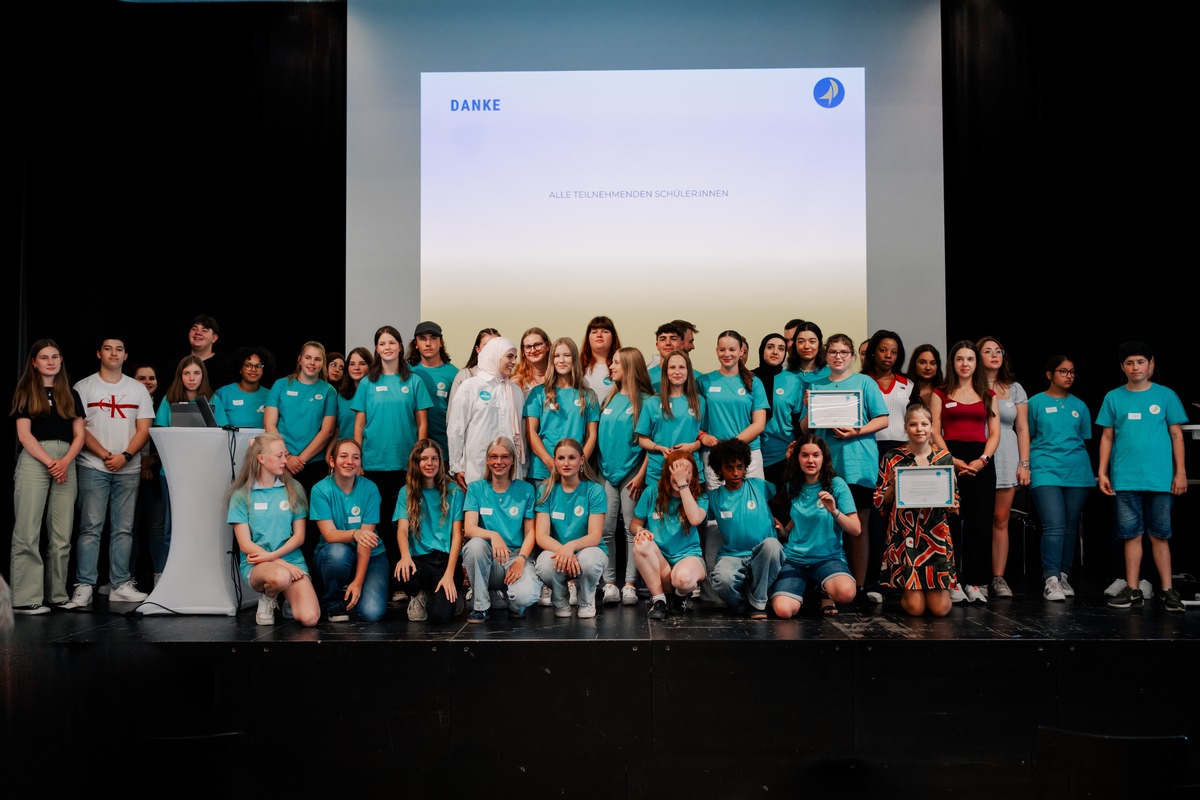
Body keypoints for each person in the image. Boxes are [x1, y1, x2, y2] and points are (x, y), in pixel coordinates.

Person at [62, 337, 155, 609]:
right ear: (98, 354)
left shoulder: (137, 388)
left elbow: (144, 428)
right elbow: (81, 429)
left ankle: (120, 585)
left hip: (128, 467)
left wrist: (125, 456)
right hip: (92, 466)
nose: (113, 353)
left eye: (119, 349)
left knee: (124, 529)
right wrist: (105, 455)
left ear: (126, 356)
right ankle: (84, 586)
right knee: (90, 528)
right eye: (107, 348)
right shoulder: (83, 387)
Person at [1098, 341, 1188, 611]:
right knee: (1131, 535)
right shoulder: (1113, 397)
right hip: (1125, 478)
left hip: (1160, 478)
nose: (1135, 367)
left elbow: (1176, 435)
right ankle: (1134, 588)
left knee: (1160, 534)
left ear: (1151, 364)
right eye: (1129, 363)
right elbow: (1107, 436)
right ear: (1122, 368)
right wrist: (1102, 471)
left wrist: (1180, 472)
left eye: (1140, 362)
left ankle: (1167, 590)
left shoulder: (1166, 395)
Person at [799, 334, 888, 605]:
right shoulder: (816, 385)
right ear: (825, 356)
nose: (838, 356)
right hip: (825, 467)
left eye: (844, 352)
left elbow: (883, 419)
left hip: (858, 464)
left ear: (852, 356)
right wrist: (807, 408)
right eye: (833, 352)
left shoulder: (865, 383)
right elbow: (806, 429)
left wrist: (856, 430)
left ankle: (859, 586)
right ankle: (828, 586)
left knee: (858, 526)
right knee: (827, 523)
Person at [9, 339, 85, 614]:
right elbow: (24, 435)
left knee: (62, 533)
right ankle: (25, 599)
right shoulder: (26, 390)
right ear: (34, 362)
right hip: (35, 459)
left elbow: (80, 435)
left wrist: (64, 461)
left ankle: (57, 594)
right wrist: (51, 462)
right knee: (28, 530)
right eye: (44, 357)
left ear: (61, 360)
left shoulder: (71, 393)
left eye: (55, 356)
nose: (50, 361)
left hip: (67, 460)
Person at [930, 340, 1000, 602]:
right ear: (953, 363)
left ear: (975, 363)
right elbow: (935, 431)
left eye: (970, 359)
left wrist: (983, 459)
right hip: (950, 461)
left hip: (981, 462)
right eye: (960, 359)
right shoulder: (940, 392)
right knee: (950, 524)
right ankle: (952, 581)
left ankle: (975, 582)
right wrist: (951, 459)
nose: (965, 364)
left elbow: (994, 434)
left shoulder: (987, 394)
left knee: (980, 523)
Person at [225, 432, 319, 626]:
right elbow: (245, 544)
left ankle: (287, 599)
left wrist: (278, 559)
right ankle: (269, 597)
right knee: (281, 576)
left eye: (286, 455)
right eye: (279, 456)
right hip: (257, 561)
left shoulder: (294, 488)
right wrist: (276, 561)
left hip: (290, 559)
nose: (285, 460)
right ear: (261, 458)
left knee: (310, 618)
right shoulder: (242, 495)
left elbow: (299, 536)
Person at [873, 404, 957, 617]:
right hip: (906, 535)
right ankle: (910, 591)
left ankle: (938, 590)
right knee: (915, 610)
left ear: (931, 428)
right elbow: (880, 504)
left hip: (935, 537)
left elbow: (954, 502)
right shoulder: (892, 457)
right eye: (913, 424)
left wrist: (953, 503)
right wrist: (892, 485)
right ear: (905, 427)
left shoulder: (944, 458)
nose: (919, 429)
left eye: (924, 424)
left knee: (940, 610)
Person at [153, 356, 230, 576]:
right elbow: (160, 435)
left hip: (202, 474)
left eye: (196, 373)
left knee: (199, 526)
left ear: (203, 375)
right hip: (171, 473)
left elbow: (222, 434)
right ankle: (168, 575)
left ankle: (198, 573)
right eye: (187, 373)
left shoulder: (213, 399)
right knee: (172, 527)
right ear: (180, 376)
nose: (191, 378)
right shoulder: (169, 399)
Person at [771, 434, 861, 618]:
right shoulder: (792, 485)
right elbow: (800, 513)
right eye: (804, 455)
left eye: (816, 455)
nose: (810, 460)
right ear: (798, 458)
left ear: (824, 458)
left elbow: (856, 529)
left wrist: (834, 511)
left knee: (846, 593)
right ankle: (807, 589)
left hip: (827, 559)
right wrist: (785, 530)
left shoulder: (837, 485)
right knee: (783, 611)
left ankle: (825, 590)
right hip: (795, 559)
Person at [1027, 355, 1094, 601]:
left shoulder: (1080, 405)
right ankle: (1051, 579)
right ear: (1049, 374)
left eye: (1072, 372)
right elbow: (1029, 434)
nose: (1069, 376)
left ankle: (1064, 575)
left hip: (1077, 471)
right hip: (1045, 468)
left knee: (1069, 526)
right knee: (1054, 524)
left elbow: (1082, 438)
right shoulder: (1035, 403)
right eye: (1063, 371)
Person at [461, 436, 541, 622]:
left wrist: (521, 560)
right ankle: (481, 605)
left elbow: (531, 532)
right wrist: (493, 534)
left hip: (515, 557)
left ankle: (513, 601)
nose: (499, 462)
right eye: (494, 457)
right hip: (488, 559)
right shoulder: (476, 488)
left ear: (513, 460)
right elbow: (469, 529)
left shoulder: (526, 489)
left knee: (526, 597)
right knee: (474, 546)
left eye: (505, 457)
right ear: (488, 460)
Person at [596, 347, 653, 605]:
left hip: (633, 473)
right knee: (606, 529)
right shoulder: (609, 398)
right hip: (607, 473)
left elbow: (652, 442)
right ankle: (610, 583)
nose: (611, 367)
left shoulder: (647, 401)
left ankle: (629, 583)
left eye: (617, 362)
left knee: (632, 530)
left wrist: (641, 475)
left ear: (630, 366)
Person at [706, 438, 784, 619]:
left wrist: (782, 526)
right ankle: (743, 605)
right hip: (732, 555)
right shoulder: (714, 498)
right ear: (720, 469)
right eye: (729, 468)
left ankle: (758, 602)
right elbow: (696, 517)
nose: (735, 472)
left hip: (761, 553)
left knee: (772, 544)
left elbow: (786, 497)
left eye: (740, 467)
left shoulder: (759, 485)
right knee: (721, 581)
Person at [310, 438, 386, 622]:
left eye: (356, 457)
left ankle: (353, 589)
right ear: (331, 461)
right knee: (337, 553)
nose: (349, 462)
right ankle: (334, 602)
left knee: (372, 612)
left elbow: (366, 542)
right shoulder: (320, 489)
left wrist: (359, 582)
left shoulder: (370, 489)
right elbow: (329, 534)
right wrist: (355, 533)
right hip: (334, 553)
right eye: (343, 456)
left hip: (371, 554)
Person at [977, 336, 1030, 598]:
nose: (994, 355)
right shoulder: (970, 386)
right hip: (979, 457)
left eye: (998, 350)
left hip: (1008, 456)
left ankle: (998, 577)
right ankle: (975, 577)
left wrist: (1024, 464)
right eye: (988, 351)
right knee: (978, 520)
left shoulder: (1015, 388)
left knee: (1001, 520)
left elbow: (1022, 428)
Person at [861, 330, 912, 594]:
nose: (888, 356)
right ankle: (871, 582)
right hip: (869, 451)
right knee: (874, 521)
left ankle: (900, 580)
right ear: (873, 352)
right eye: (883, 350)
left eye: (893, 352)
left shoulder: (908, 384)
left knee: (900, 519)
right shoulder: (862, 381)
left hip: (901, 454)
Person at [534, 438, 608, 618]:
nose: (566, 463)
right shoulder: (545, 490)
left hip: (588, 550)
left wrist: (571, 547)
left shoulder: (594, 490)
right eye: (561, 458)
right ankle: (560, 601)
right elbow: (541, 536)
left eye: (571, 458)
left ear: (582, 460)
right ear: (554, 461)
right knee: (544, 564)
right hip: (559, 552)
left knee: (589, 561)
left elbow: (594, 536)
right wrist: (564, 551)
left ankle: (586, 600)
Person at [631, 449, 709, 619]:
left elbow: (695, 519)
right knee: (640, 543)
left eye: (686, 471)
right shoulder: (652, 492)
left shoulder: (700, 497)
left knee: (682, 579)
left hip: (688, 558)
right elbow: (635, 524)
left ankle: (679, 599)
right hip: (661, 562)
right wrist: (640, 531)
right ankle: (659, 600)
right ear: (667, 472)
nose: (680, 475)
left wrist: (683, 486)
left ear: (693, 475)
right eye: (676, 470)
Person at [394, 439, 464, 623]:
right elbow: (402, 529)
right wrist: (405, 556)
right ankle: (418, 594)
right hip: (420, 560)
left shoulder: (454, 491)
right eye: (424, 459)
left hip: (445, 561)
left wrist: (449, 574)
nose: (430, 463)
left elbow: (458, 535)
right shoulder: (406, 492)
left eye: (434, 459)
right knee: (403, 572)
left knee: (439, 617)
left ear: (440, 462)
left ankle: (453, 595)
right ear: (416, 462)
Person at [446, 336, 526, 490]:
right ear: (494, 355)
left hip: (509, 472)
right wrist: (456, 467)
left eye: (515, 357)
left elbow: (521, 434)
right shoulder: (471, 386)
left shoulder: (515, 391)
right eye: (509, 356)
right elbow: (456, 429)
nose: (514, 362)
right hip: (476, 468)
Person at [263, 341, 338, 492]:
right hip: (280, 461)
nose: (312, 363)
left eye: (317, 359)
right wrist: (287, 457)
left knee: (310, 511)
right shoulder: (281, 384)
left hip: (313, 462)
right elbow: (269, 424)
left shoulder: (328, 391)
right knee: (281, 511)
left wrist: (300, 460)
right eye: (308, 357)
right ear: (299, 359)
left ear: (322, 363)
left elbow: (327, 431)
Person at [524, 337, 600, 484]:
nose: (561, 360)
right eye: (557, 356)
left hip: (576, 472)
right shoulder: (538, 393)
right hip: (542, 471)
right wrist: (549, 462)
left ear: (574, 359)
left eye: (567, 355)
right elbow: (531, 432)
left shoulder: (588, 395)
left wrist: (578, 463)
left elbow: (592, 435)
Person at [636, 349, 705, 487]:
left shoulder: (699, 401)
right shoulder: (652, 403)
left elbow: (704, 435)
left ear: (688, 371)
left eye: (682, 367)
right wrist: (659, 448)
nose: (677, 372)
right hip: (658, 472)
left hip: (690, 470)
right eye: (672, 367)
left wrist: (692, 446)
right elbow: (642, 439)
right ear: (665, 372)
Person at [755, 333, 803, 501]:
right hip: (753, 453)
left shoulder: (793, 381)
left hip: (784, 454)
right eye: (770, 347)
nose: (775, 351)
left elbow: (797, 420)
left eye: (781, 348)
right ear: (762, 350)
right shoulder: (748, 378)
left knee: (783, 507)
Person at [408, 321, 458, 459]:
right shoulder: (406, 372)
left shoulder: (454, 374)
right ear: (416, 344)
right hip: (411, 448)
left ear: (441, 342)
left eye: (433, 338)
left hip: (444, 449)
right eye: (423, 339)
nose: (428, 343)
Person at [328, 346, 372, 460]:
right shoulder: (341, 396)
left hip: (370, 455)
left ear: (370, 367)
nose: (356, 368)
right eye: (352, 364)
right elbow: (337, 429)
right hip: (344, 455)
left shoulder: (376, 396)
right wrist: (329, 453)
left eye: (362, 363)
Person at [214, 346, 274, 429]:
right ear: (240, 369)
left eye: (258, 366)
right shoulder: (223, 394)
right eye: (248, 365)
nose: (253, 369)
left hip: (263, 441)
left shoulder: (271, 395)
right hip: (231, 441)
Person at [447, 327, 501, 406]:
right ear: (477, 349)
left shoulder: (507, 379)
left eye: (495, 346)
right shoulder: (464, 376)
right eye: (486, 346)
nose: (491, 350)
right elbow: (454, 413)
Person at [183, 314, 233, 388]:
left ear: (214, 338)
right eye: (194, 329)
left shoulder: (227, 365)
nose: (198, 333)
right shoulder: (176, 364)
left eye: (204, 330)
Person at [580, 315, 622, 399]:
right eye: (594, 332)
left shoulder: (623, 367)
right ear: (588, 338)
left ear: (613, 337)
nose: (599, 335)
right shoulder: (578, 366)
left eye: (605, 331)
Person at [786, 320, 828, 388]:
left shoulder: (831, 374)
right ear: (795, 344)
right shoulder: (787, 375)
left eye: (812, 341)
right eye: (801, 341)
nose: (806, 346)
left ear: (819, 343)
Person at [511, 326, 551, 395]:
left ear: (547, 346)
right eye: (528, 347)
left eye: (537, 344)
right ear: (523, 351)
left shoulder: (559, 378)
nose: (533, 350)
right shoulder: (517, 382)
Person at [905, 344, 944, 408]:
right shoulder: (904, 389)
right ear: (914, 364)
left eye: (932, 363)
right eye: (922, 362)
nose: (928, 368)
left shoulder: (945, 391)